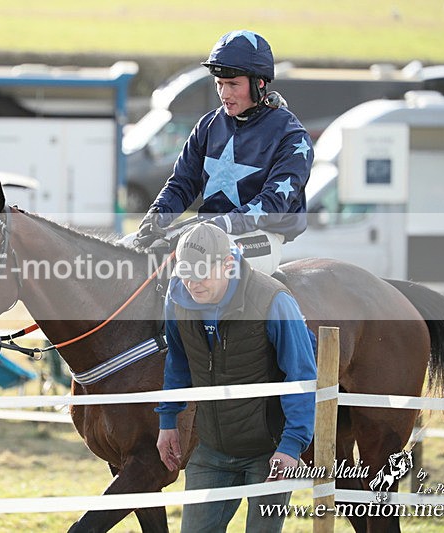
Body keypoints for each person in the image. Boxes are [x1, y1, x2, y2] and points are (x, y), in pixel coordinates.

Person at [155, 222, 316, 532]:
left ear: (228, 264)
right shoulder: (176, 300)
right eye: (185, 274)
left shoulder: (273, 301)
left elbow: (301, 375)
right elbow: (177, 362)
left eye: (201, 274)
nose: (192, 283)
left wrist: (292, 445)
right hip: (212, 449)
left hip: (269, 451)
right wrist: (167, 421)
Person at [136, 30, 314, 275]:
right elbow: (182, 183)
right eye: (219, 84)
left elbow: (273, 203)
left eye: (233, 84)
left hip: (261, 237)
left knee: (201, 260)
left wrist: (223, 223)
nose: (224, 94)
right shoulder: (208, 126)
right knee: (128, 251)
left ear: (259, 83)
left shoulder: (292, 136)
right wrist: (158, 215)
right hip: (207, 228)